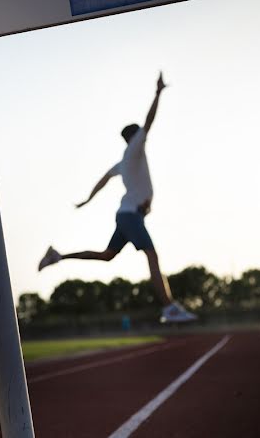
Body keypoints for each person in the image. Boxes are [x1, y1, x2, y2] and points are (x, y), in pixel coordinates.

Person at [37, 72, 197, 324]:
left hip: (129, 215)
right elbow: (149, 121)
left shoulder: (124, 161)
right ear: (135, 138)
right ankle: (169, 308)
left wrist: (88, 200)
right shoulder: (134, 150)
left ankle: (57, 256)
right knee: (152, 255)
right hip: (130, 216)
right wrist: (158, 93)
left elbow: (103, 179)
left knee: (107, 255)